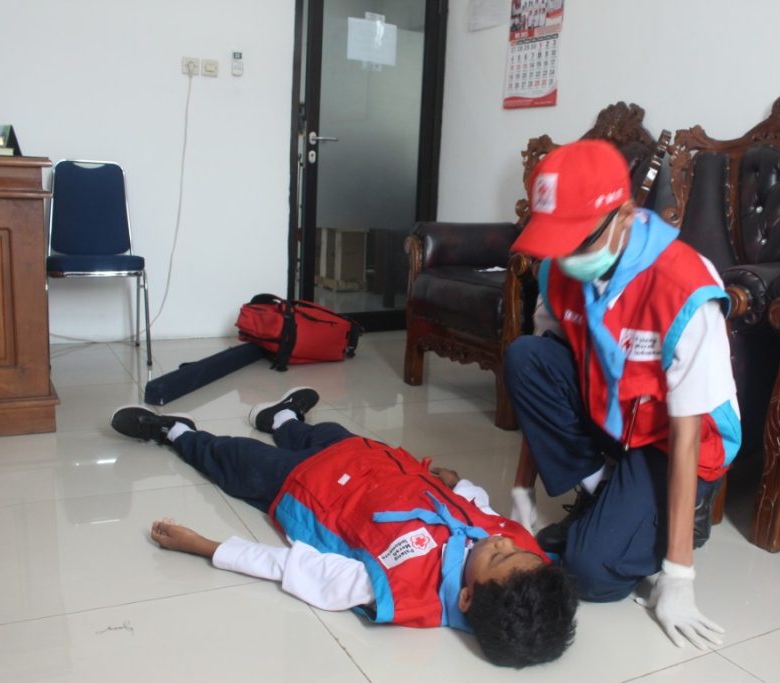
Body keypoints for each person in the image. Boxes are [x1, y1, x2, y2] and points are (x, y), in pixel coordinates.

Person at [110, 388, 578, 668]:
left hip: (304, 489)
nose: (501, 541)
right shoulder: (521, 555)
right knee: (323, 434)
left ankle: (176, 433)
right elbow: (487, 515)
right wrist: (461, 485)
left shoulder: (396, 589)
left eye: (497, 555)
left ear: (467, 598)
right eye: (514, 548)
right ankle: (282, 417)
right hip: (370, 462)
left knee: (235, 459)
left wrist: (207, 547)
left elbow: (296, 568)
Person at [504, 139, 741, 650]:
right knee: (525, 356)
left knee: (591, 574)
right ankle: (604, 494)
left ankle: (683, 520)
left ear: (626, 216)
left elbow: (687, 436)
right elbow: (541, 372)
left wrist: (678, 576)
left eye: (578, 242)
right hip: (613, 418)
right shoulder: (559, 271)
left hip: (677, 443)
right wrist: (523, 489)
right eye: (555, 243)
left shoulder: (684, 289)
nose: (565, 258)